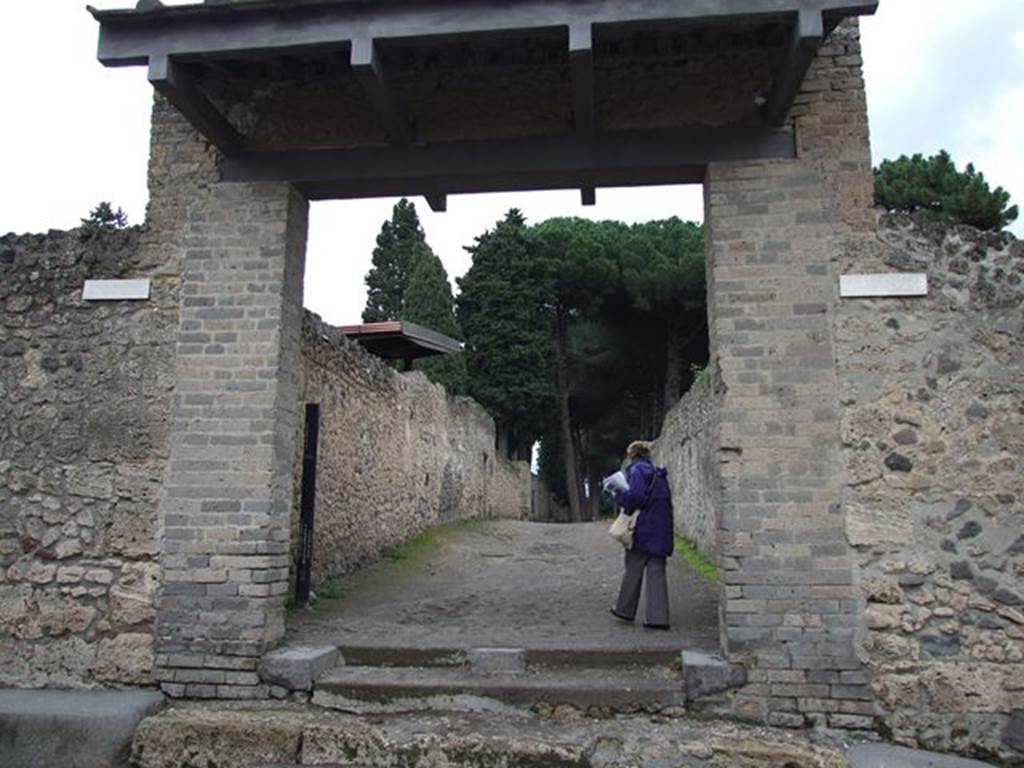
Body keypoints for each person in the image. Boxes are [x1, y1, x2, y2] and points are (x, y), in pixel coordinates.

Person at [610, 440, 673, 629]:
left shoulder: (637, 471)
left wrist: (618, 494)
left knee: (633, 568)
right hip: (661, 528)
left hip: (643, 528)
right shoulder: (658, 473)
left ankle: (625, 610)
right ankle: (658, 619)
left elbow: (636, 497)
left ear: (633, 454)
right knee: (657, 572)